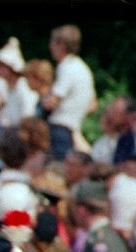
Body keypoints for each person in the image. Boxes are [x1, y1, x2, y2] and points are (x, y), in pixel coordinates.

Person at [42, 25, 96, 162]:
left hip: (61, 128)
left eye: (53, 42)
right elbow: (92, 105)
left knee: (58, 167)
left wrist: (43, 99)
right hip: (73, 126)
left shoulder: (67, 67)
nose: (50, 47)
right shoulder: (81, 67)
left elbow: (51, 103)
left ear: (62, 45)